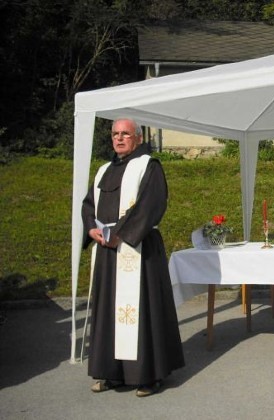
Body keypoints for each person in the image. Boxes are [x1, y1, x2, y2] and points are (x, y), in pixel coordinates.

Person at [81, 118, 184, 397]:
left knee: (143, 311)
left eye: (125, 134)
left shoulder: (149, 166)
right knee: (109, 312)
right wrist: (91, 228)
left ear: (138, 138)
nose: (119, 138)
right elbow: (88, 204)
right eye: (115, 134)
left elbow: (151, 205)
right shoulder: (103, 170)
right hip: (107, 251)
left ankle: (148, 375)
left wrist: (122, 234)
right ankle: (111, 372)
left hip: (139, 249)